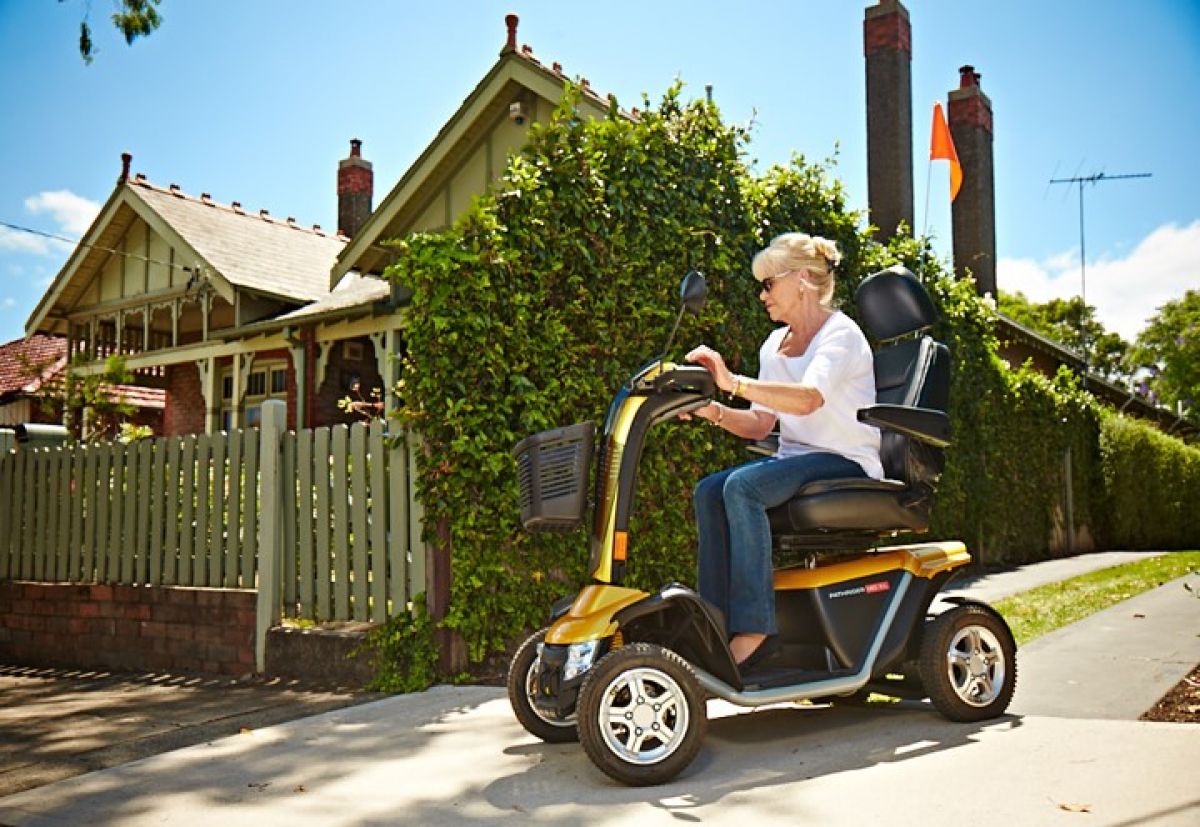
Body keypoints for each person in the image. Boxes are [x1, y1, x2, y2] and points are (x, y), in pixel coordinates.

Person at [684, 232, 883, 669]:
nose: (762, 295)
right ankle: (714, 624)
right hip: (797, 461)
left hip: (845, 459)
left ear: (802, 281)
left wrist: (733, 381)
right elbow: (760, 422)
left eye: (768, 284)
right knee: (708, 490)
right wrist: (707, 408)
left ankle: (756, 630)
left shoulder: (841, 334)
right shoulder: (773, 346)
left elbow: (809, 397)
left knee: (742, 488)